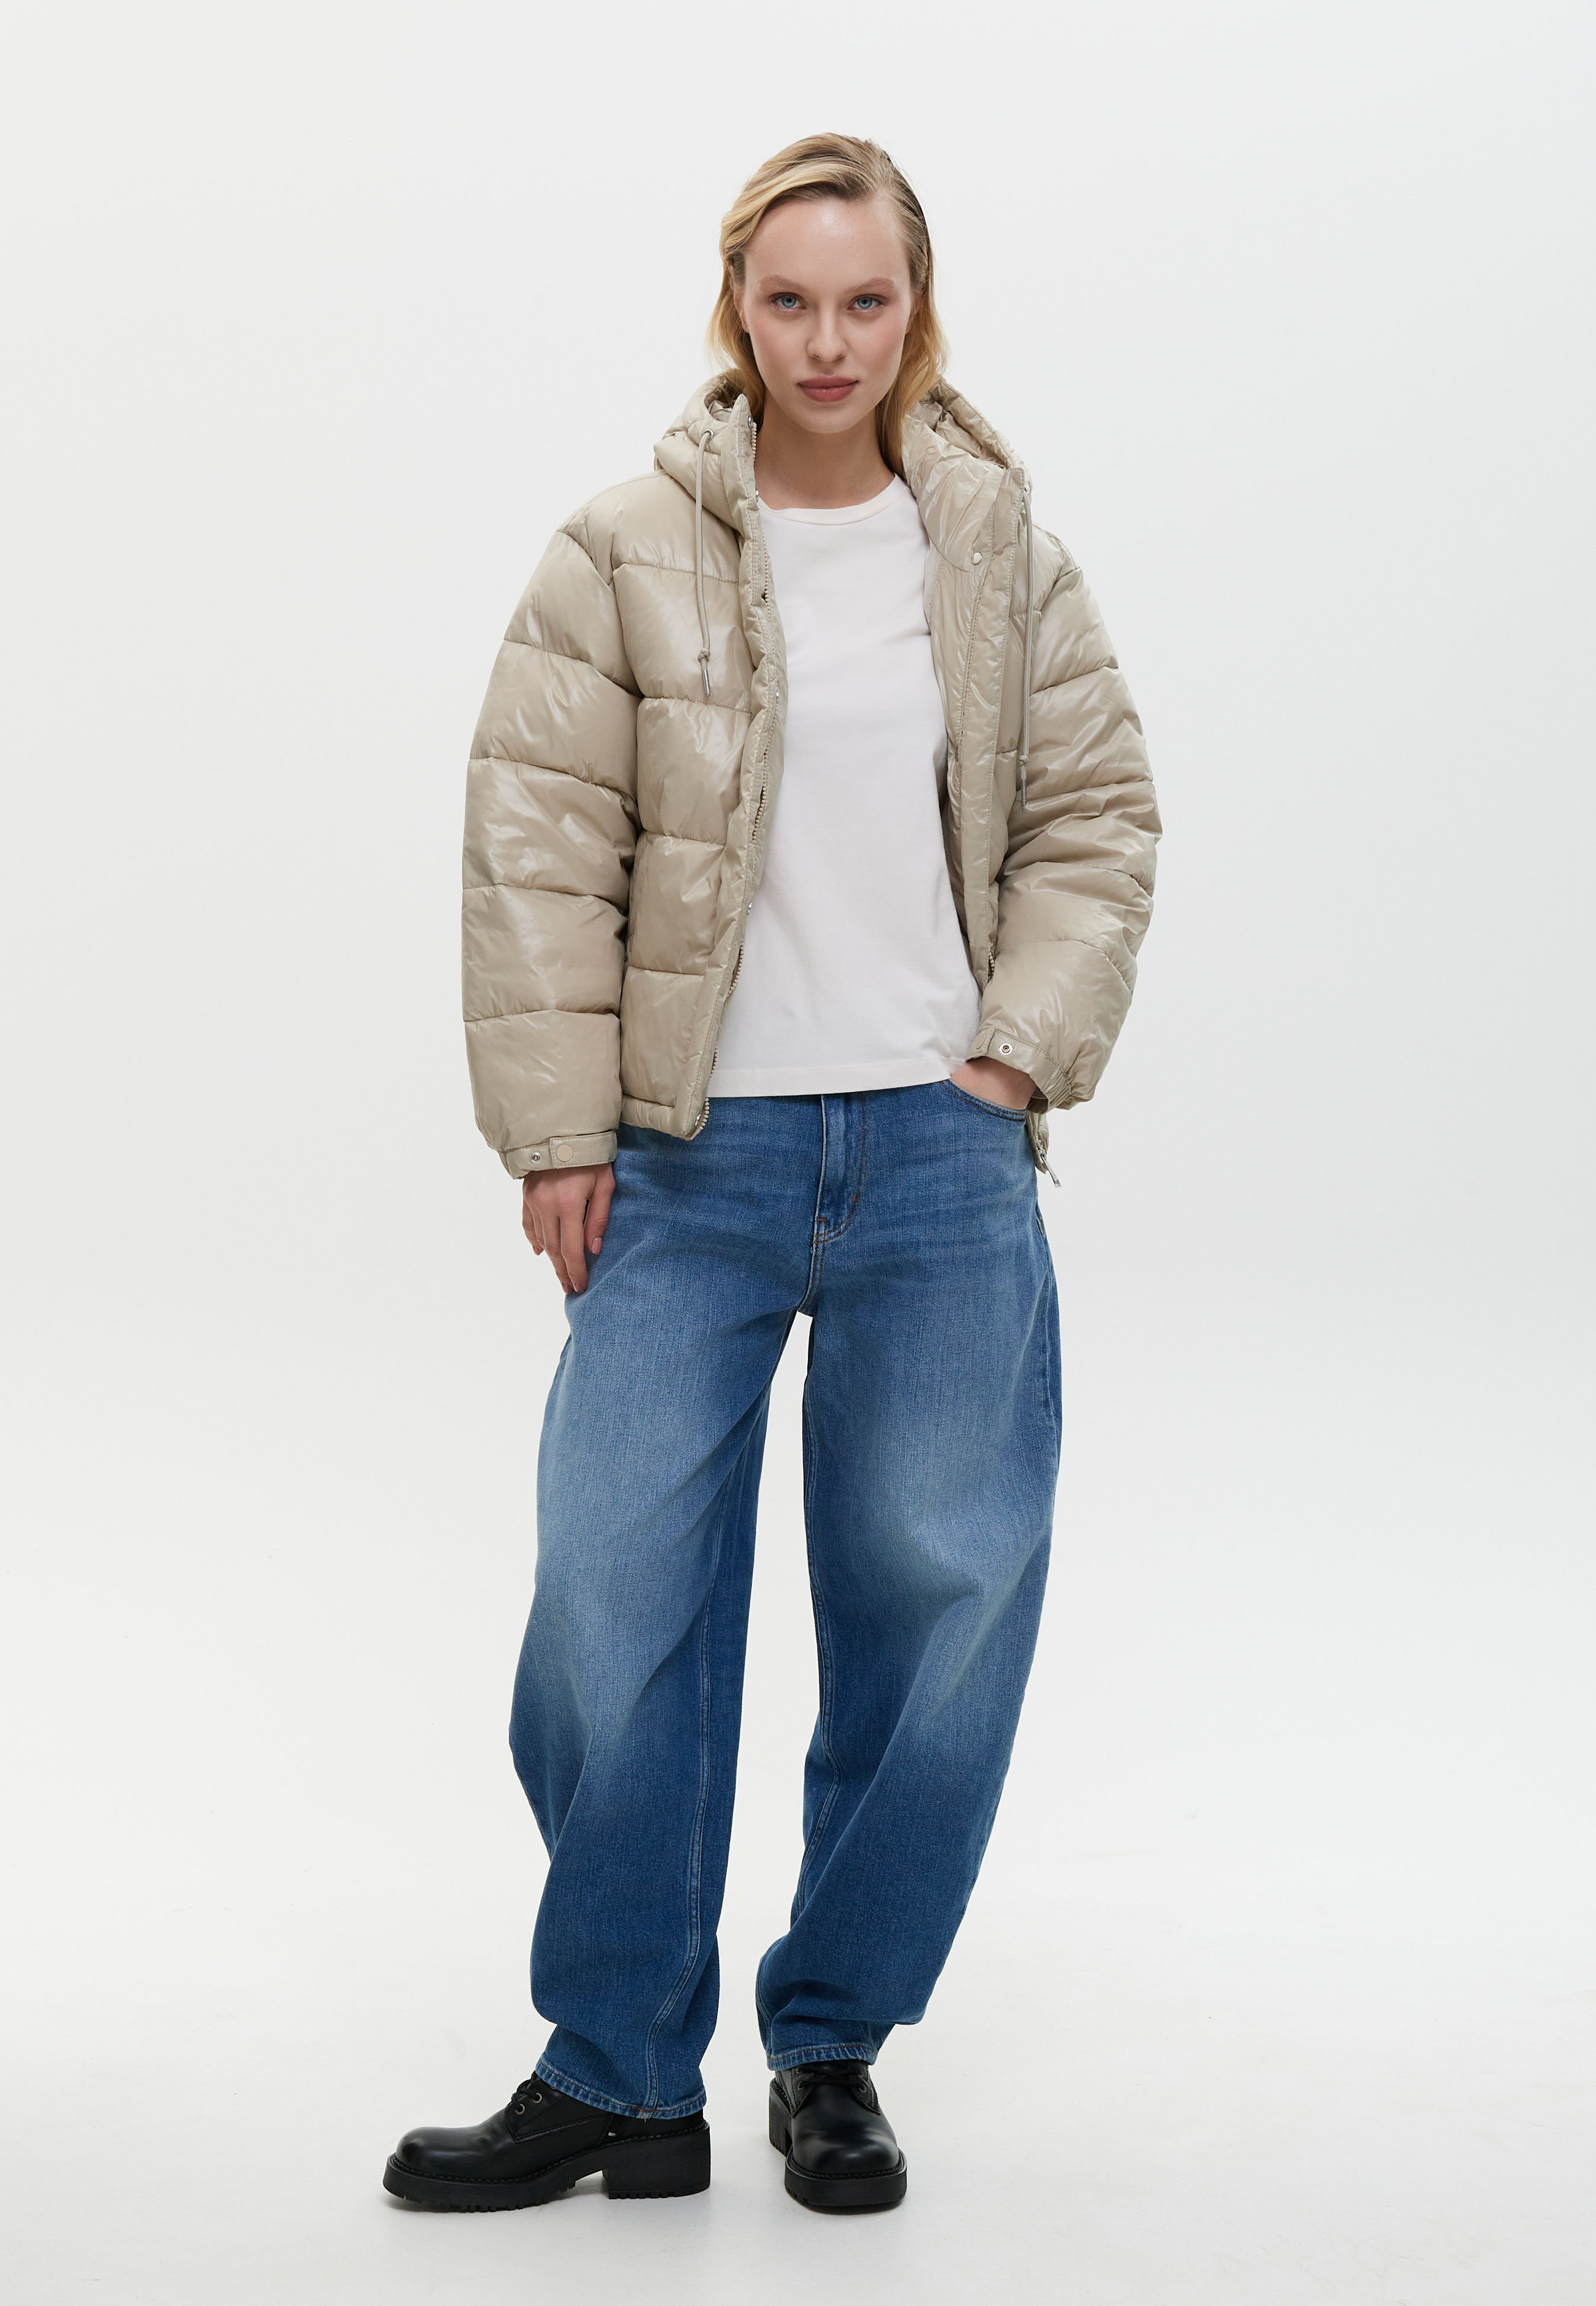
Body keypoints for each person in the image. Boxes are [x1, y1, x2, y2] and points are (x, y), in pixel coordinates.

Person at [384, 132, 1159, 2218]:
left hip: (938, 1158)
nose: (827, 341)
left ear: (917, 310)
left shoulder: (995, 550)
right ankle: (620, 2068)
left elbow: (1094, 813)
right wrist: (559, 1126)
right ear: (736, 303)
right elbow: (537, 841)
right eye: (790, 299)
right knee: (610, 1597)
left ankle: (829, 2043)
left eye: (866, 301)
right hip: (686, 1156)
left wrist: (1012, 1055)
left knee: (937, 1593)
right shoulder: (619, 547)